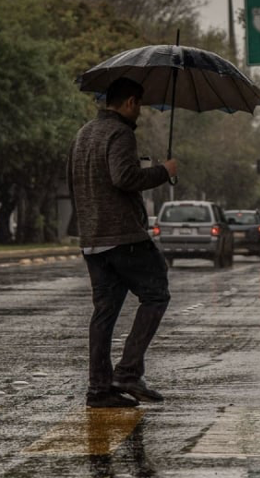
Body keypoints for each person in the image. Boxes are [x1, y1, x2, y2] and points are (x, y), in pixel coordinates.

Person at [68, 77, 178, 408]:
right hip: (123, 236)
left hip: (92, 239)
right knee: (156, 293)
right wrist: (163, 171)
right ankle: (128, 371)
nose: (140, 112)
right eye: (139, 105)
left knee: (104, 312)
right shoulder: (120, 133)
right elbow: (124, 178)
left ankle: (99, 389)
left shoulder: (83, 133)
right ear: (129, 102)